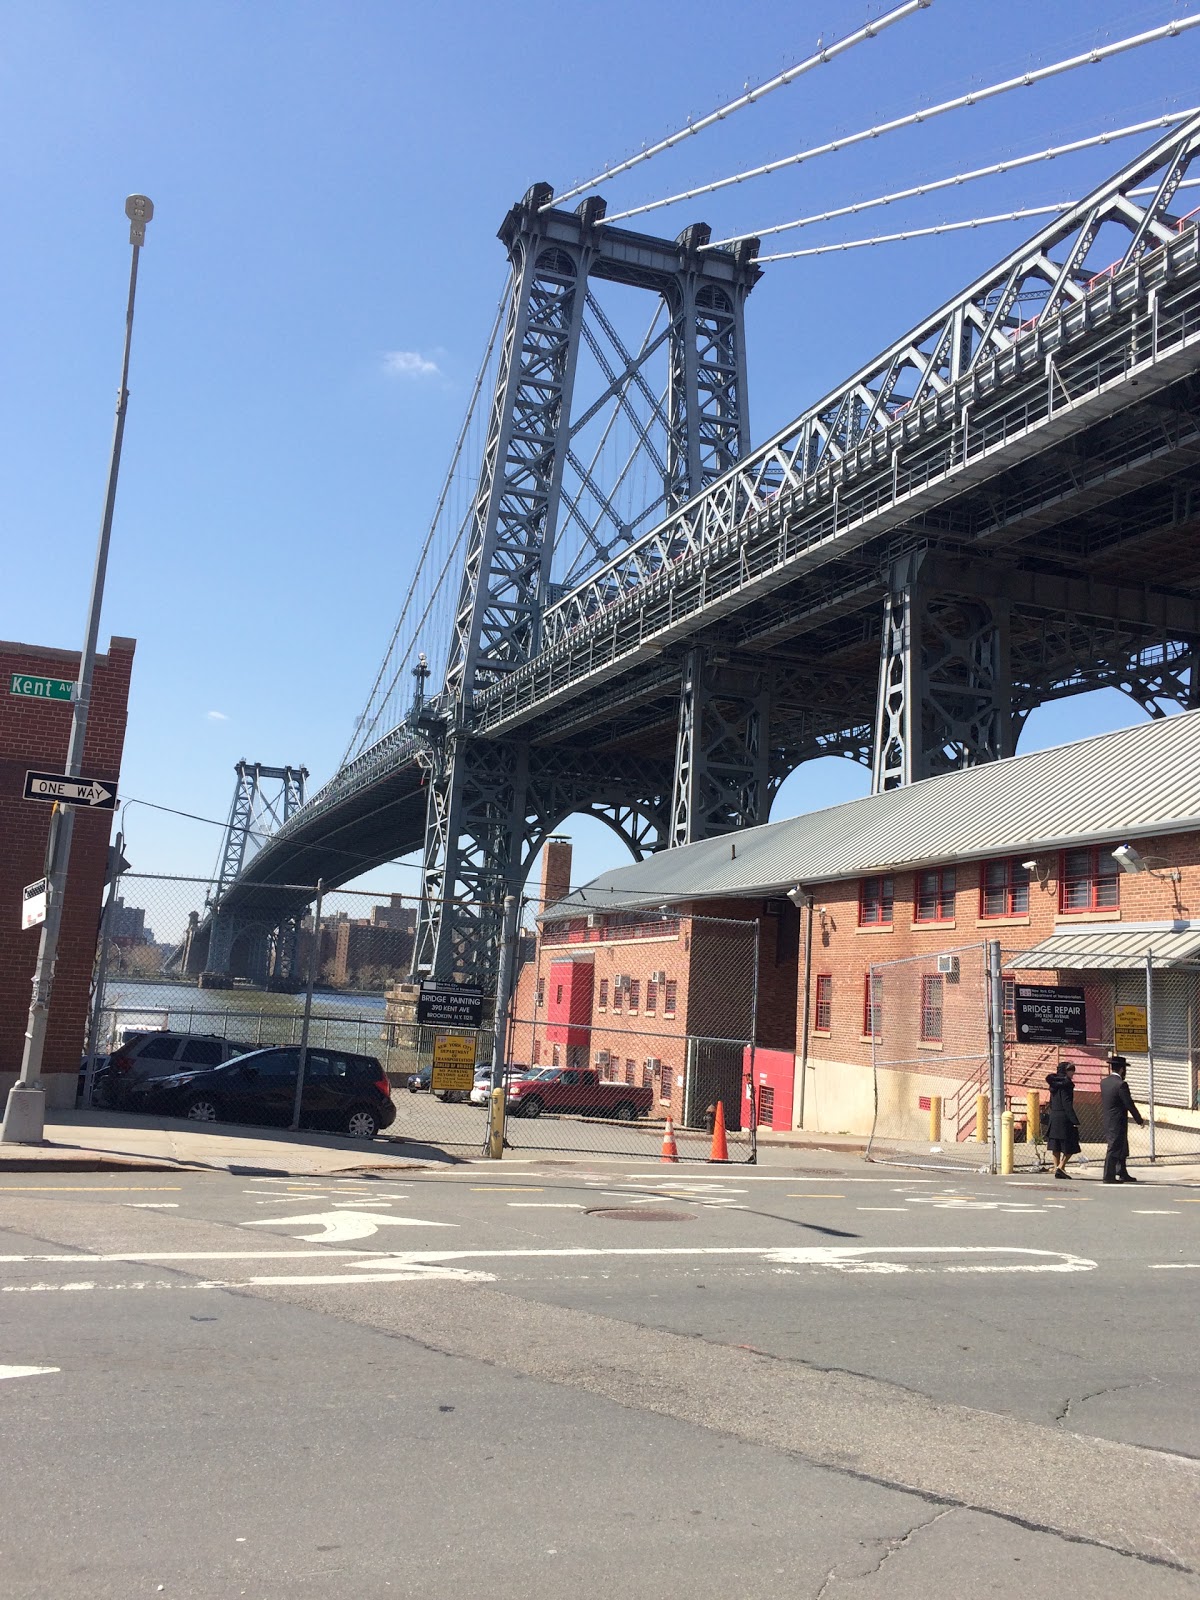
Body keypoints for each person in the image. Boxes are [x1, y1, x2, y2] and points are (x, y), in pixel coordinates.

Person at [1102, 1055, 1144, 1184]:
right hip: (1117, 1120)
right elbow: (1129, 1103)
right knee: (1114, 1147)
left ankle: (1122, 1172)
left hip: (1108, 1119)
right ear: (1121, 1069)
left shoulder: (1104, 1082)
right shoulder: (1121, 1085)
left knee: (1122, 1146)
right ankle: (1108, 1175)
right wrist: (1139, 1119)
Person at [1045, 1061, 1081, 1178]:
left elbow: (1051, 1102)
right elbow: (1067, 1103)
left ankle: (1057, 1168)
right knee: (1071, 1145)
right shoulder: (1067, 1084)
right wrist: (1074, 1120)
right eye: (1071, 1070)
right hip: (1064, 1118)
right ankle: (1061, 1167)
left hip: (1054, 1116)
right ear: (1066, 1071)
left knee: (1055, 1145)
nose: (1073, 1073)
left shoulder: (1054, 1084)